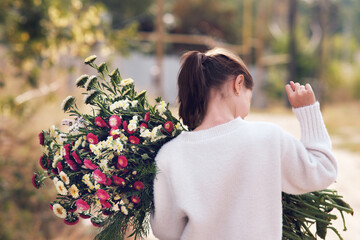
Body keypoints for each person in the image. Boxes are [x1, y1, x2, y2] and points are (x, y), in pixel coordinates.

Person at [150, 48, 337, 240]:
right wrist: (308, 110)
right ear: (238, 84)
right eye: (250, 96)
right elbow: (323, 170)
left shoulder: (169, 155)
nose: (249, 107)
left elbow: (166, 232)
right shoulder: (267, 138)